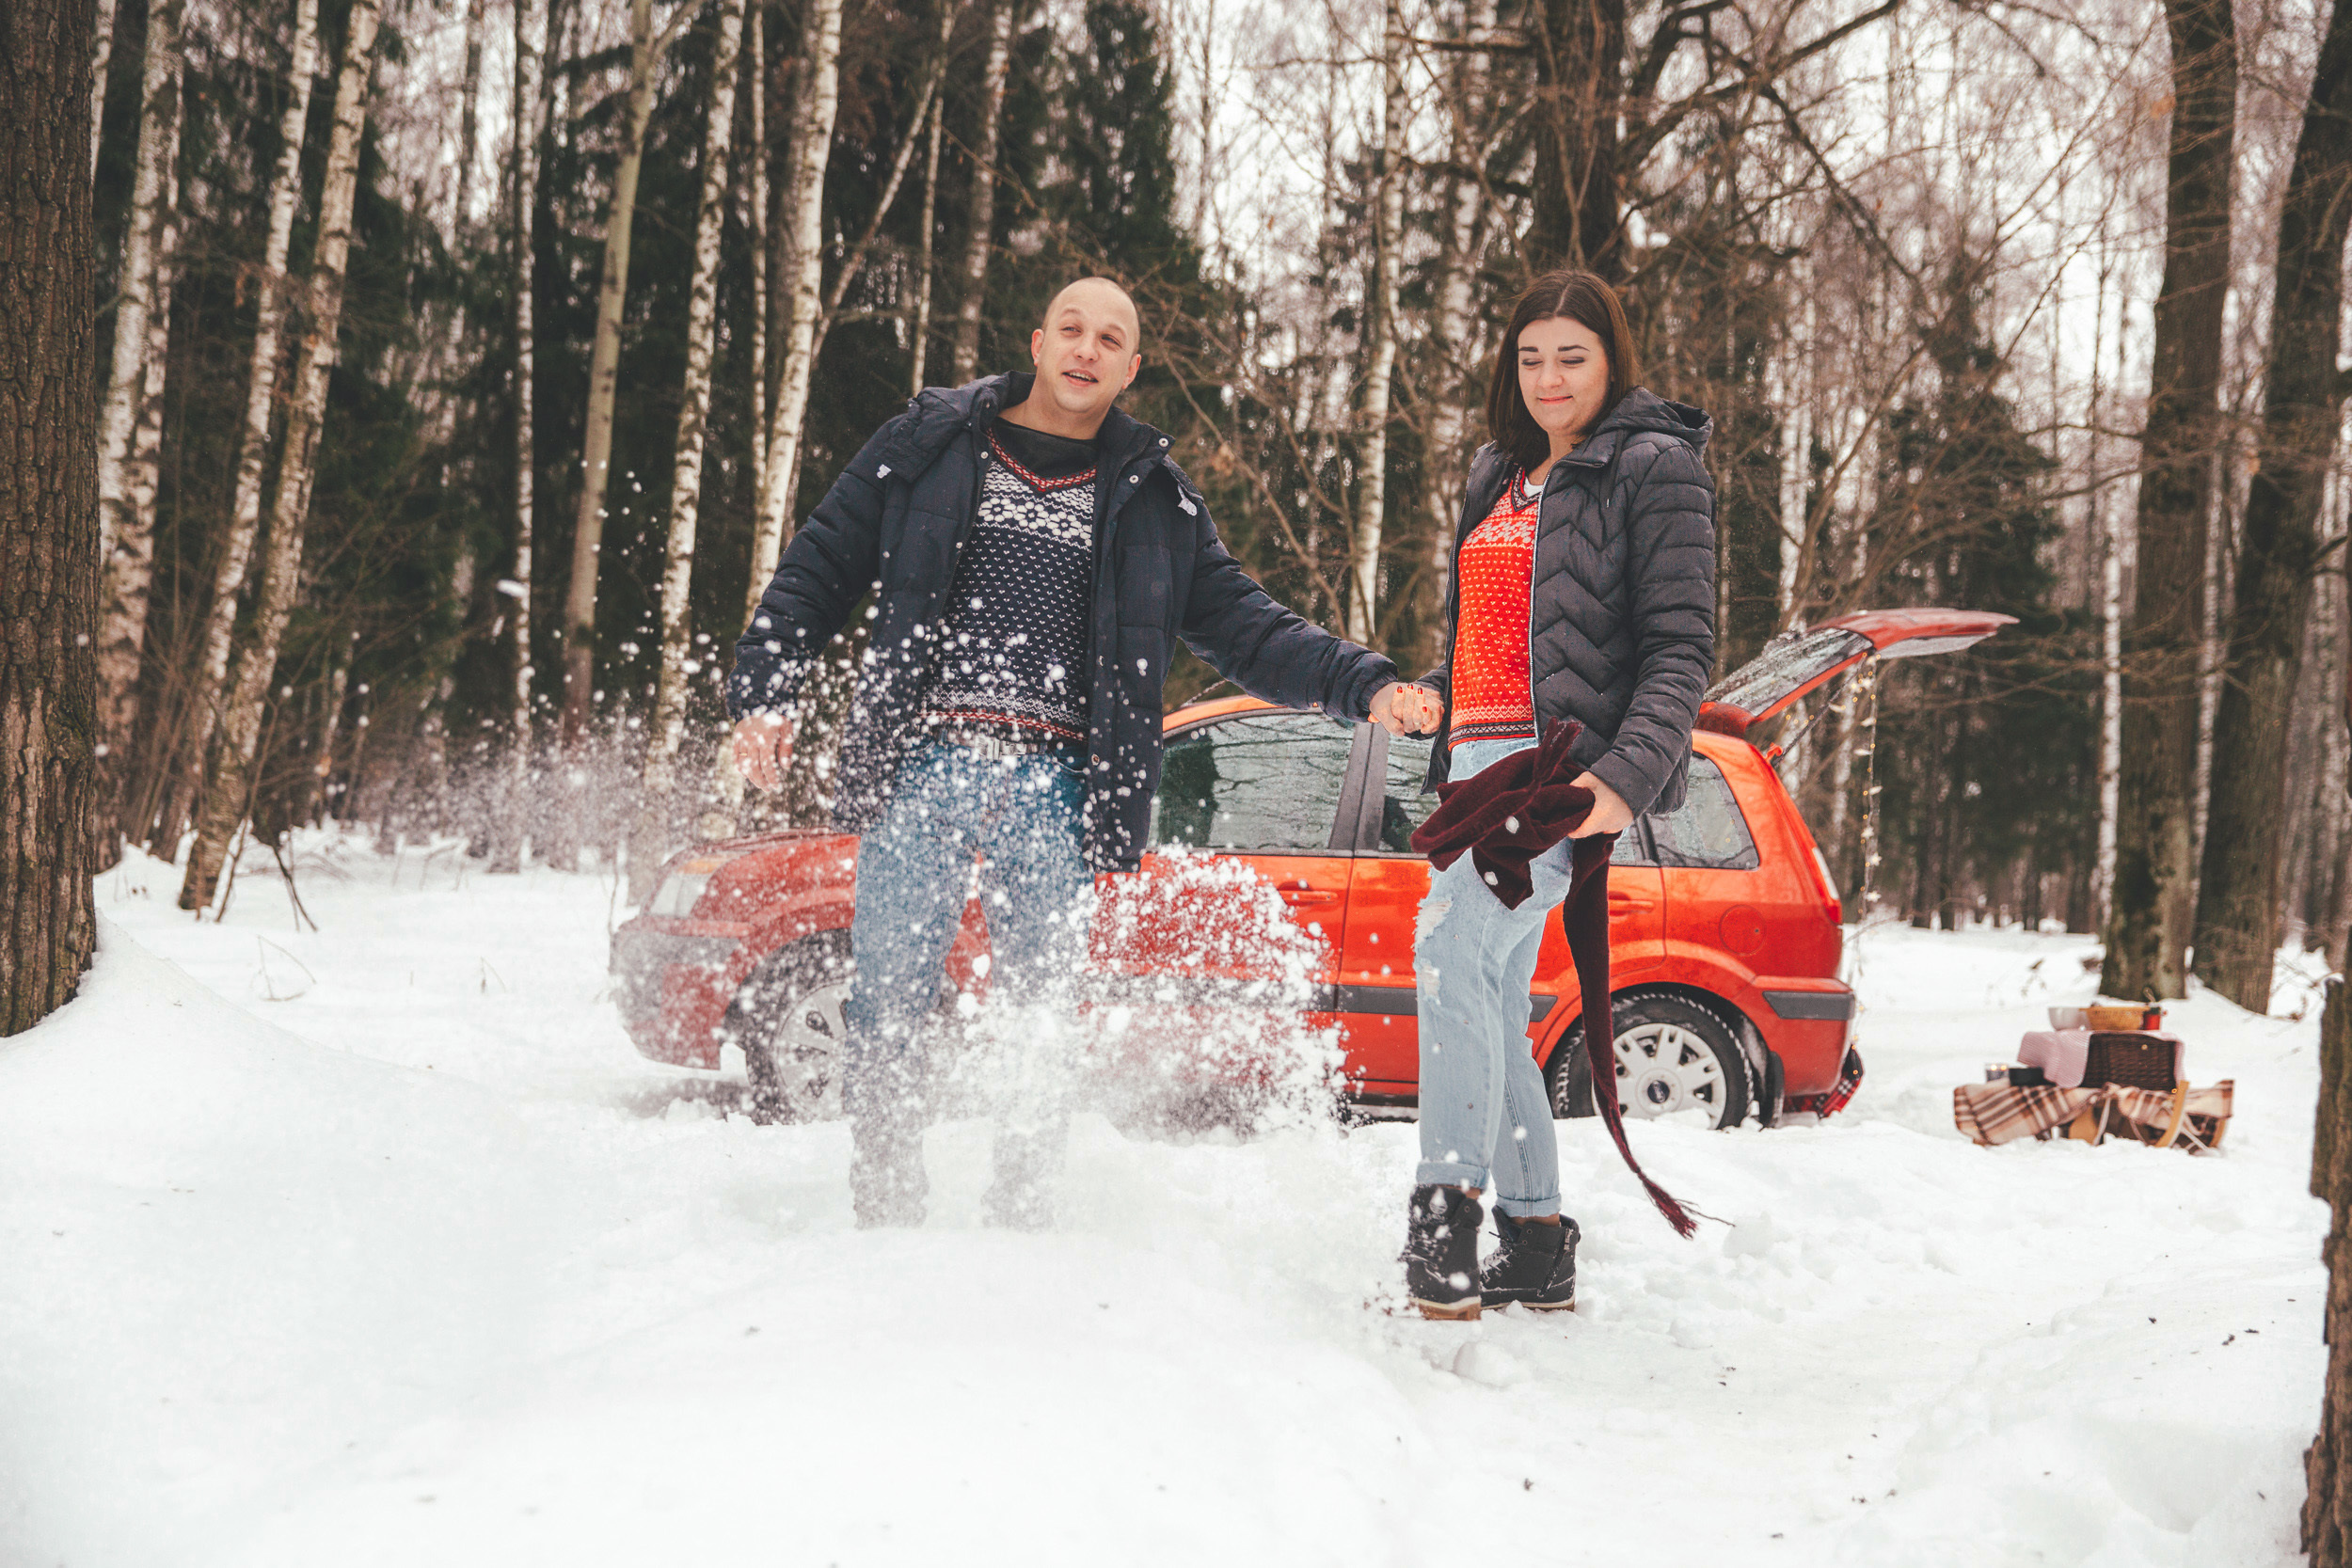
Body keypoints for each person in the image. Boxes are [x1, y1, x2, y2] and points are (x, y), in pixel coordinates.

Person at [727, 277, 1427, 1229]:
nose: (1086, 349)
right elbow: (820, 561)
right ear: (1036, 337)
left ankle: (1022, 1219)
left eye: (1110, 338)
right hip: (922, 766)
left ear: (1131, 367)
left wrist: (1365, 685)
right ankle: (884, 1212)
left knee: (1040, 1019)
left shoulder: (1153, 500)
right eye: (1071, 328)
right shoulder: (930, 440)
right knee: (888, 1001)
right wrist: (767, 690)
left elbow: (1248, 627)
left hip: (1056, 789)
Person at [1391, 267, 1717, 1319]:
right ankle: (1535, 1236)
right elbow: (1492, 636)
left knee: (1447, 950)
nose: (1548, 376)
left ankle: (1446, 1208)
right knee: (1484, 985)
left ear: (1612, 357)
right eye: (1530, 357)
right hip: (1474, 764)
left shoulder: (1652, 465)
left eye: (1571, 355)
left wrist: (1622, 780)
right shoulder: (1499, 471)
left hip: (1557, 769)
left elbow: (1679, 648)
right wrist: (1432, 699)